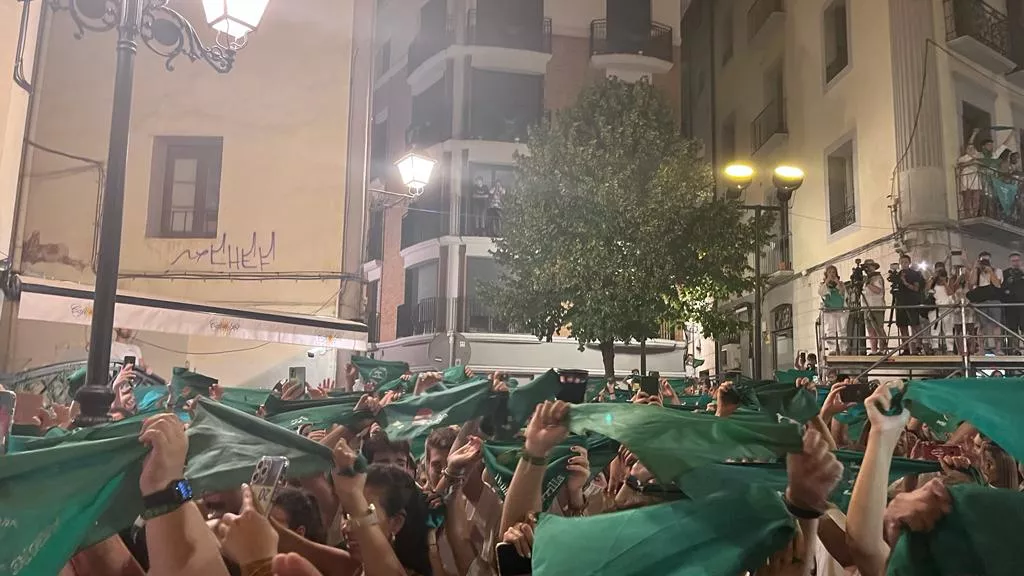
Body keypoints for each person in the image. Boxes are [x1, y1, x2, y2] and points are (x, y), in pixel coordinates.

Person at [969, 251, 1004, 354]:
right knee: (981, 325)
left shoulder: (997, 270)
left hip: (994, 300)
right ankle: (981, 349)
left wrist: (990, 271)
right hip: (981, 301)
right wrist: (975, 268)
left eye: (987, 260)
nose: (984, 263)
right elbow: (971, 284)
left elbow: (997, 284)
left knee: (996, 325)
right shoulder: (976, 271)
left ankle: (998, 349)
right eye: (982, 261)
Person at [894, 254, 925, 355]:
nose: (904, 264)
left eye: (906, 262)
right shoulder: (897, 275)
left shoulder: (915, 274)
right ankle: (905, 348)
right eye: (902, 262)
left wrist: (905, 282)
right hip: (900, 303)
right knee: (902, 326)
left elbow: (916, 288)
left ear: (909, 263)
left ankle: (918, 346)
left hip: (912, 302)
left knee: (915, 324)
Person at [819, 265, 848, 355]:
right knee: (830, 330)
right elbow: (821, 292)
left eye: (833, 272)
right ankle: (832, 349)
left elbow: (843, 293)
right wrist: (827, 282)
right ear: (826, 274)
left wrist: (837, 283)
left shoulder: (841, 284)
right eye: (830, 272)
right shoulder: (823, 285)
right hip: (829, 311)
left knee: (842, 330)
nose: (832, 274)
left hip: (840, 310)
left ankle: (843, 349)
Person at [926, 264, 955, 354]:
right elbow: (927, 289)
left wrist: (945, 283)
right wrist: (932, 278)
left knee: (948, 329)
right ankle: (935, 347)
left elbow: (950, 293)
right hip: (935, 308)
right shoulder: (932, 283)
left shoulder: (948, 282)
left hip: (946, 308)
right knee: (935, 329)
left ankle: (950, 348)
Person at [862, 259, 887, 354]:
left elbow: (878, 290)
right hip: (867, 307)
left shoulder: (877, 277)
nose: (868, 268)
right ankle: (874, 351)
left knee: (879, 328)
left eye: (870, 266)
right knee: (870, 331)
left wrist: (868, 284)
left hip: (876, 306)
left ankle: (883, 349)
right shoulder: (866, 279)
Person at [1003, 252, 1024, 354]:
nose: (1015, 263)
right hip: (1011, 305)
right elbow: (1001, 288)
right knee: (1013, 328)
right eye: (1013, 261)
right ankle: (1016, 349)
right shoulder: (1006, 273)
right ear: (1010, 262)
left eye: (1017, 261)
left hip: (1023, 304)